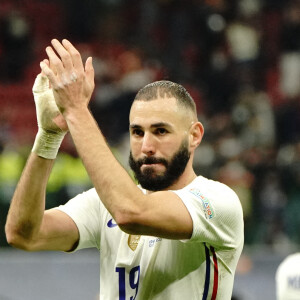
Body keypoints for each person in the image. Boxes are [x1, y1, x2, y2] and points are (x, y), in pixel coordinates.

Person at [5, 39, 244, 300]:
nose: (147, 146)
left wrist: (75, 110)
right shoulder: (103, 203)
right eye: (137, 132)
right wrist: (49, 137)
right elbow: (23, 234)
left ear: (194, 135)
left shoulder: (218, 202)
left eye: (161, 131)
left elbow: (131, 213)